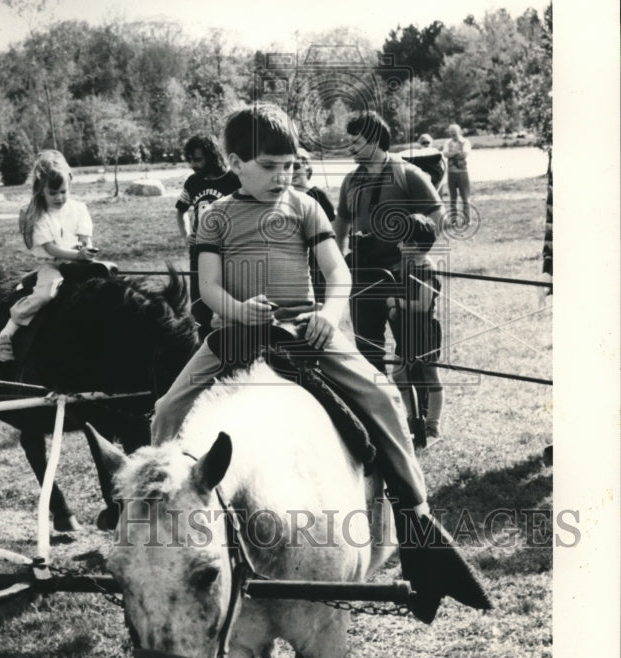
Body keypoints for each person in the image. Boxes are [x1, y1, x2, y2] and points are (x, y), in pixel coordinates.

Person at [152, 103, 490, 624]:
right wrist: (239, 311)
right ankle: (159, 522)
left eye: (288, 165)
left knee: (383, 395)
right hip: (236, 335)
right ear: (235, 161)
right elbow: (209, 287)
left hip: (305, 329)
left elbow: (338, 275)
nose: (281, 175)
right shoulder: (215, 216)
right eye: (269, 166)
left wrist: (330, 317)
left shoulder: (305, 206)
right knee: (167, 409)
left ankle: (416, 517)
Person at [332, 111, 444, 377]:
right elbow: (341, 225)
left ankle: (420, 416)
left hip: (402, 276)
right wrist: (336, 263)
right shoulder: (351, 180)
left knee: (412, 352)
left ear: (373, 140)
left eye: (356, 141)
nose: (350, 147)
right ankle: (379, 410)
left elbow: (438, 219)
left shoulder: (408, 174)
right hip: (364, 276)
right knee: (367, 351)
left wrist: (414, 255)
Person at [0, 150, 94, 362]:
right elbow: (51, 249)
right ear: (41, 191)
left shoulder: (79, 209)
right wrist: (78, 255)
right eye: (53, 193)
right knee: (46, 294)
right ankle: (6, 332)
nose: (59, 197)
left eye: (63, 192)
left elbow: (86, 238)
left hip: (80, 263)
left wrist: (88, 250)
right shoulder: (39, 216)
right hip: (54, 265)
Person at [386, 213, 445, 446]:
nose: (398, 245)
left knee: (430, 376)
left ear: (413, 245)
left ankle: (433, 427)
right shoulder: (407, 267)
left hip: (424, 332)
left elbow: (422, 305)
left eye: (402, 241)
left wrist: (395, 303)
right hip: (407, 331)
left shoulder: (427, 271)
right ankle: (413, 419)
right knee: (400, 372)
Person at [175, 134, 240, 339]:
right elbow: (181, 210)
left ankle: (234, 341)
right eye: (191, 160)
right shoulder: (193, 182)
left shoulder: (233, 180)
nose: (194, 165)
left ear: (212, 156)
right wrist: (187, 234)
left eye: (198, 159)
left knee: (230, 299)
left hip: (228, 251)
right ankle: (202, 342)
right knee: (199, 303)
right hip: (199, 250)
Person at [291, 146, 335, 304]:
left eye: (297, 166)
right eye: (288, 167)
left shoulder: (318, 195)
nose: (293, 172)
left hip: (318, 263)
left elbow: (334, 230)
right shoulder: (285, 199)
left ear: (307, 167)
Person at [443, 123, 472, 223]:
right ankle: (454, 220)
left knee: (465, 197)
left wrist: (452, 154)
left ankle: (467, 220)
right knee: (453, 198)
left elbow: (464, 155)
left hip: (462, 172)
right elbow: (445, 154)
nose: (453, 135)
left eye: (455, 133)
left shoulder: (465, 142)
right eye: (451, 133)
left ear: (459, 132)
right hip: (451, 173)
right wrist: (456, 153)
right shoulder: (447, 142)